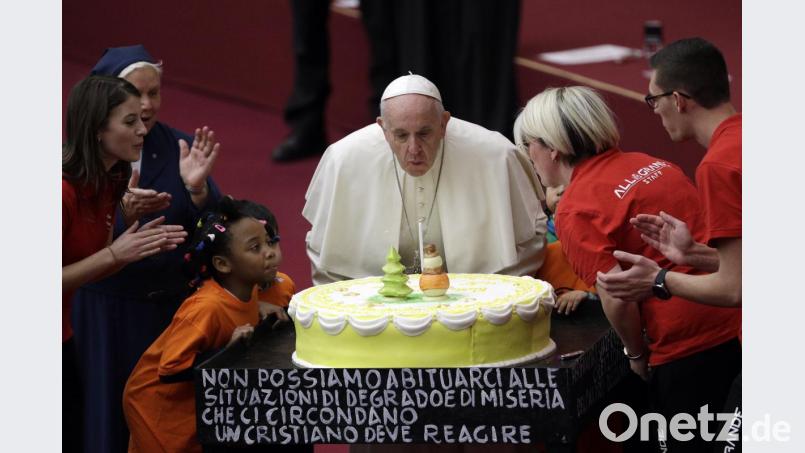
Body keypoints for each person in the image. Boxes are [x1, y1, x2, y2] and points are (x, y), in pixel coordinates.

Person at [515, 86, 740, 451]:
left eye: (528, 147)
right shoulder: (650, 162)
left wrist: (635, 356)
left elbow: (617, 297)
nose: (529, 157)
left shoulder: (574, 208)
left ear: (551, 148)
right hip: (735, 322)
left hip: (684, 349)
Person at [71, 44, 223, 453]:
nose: (146, 106)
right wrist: (119, 216)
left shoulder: (181, 148)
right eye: (134, 95)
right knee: (106, 421)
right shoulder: (77, 169)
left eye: (154, 93)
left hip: (167, 312)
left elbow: (220, 225)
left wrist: (198, 192)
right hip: (104, 314)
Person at [303, 74, 547, 285]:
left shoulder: (495, 155)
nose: (414, 149)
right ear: (382, 128)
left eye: (424, 133)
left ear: (443, 124)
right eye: (400, 135)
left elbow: (529, 239)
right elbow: (326, 257)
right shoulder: (344, 159)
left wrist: (481, 294)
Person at [62, 75, 187, 452]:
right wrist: (116, 253)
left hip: (64, 334)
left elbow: (90, 264)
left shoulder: (112, 181)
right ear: (98, 129)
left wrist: (123, 234)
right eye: (129, 122)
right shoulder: (60, 193)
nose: (142, 130)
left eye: (141, 120)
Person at [123, 198, 289, 453]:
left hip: (198, 405)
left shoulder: (248, 289)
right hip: (159, 411)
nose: (269, 252)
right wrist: (228, 351)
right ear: (223, 264)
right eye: (255, 247)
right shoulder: (205, 307)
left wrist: (256, 308)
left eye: (269, 242)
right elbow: (170, 368)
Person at [596, 37, 742, 309]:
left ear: (677, 100)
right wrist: (693, 254)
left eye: (653, 99)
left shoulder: (718, 167)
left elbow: (735, 288)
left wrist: (658, 279)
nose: (655, 111)